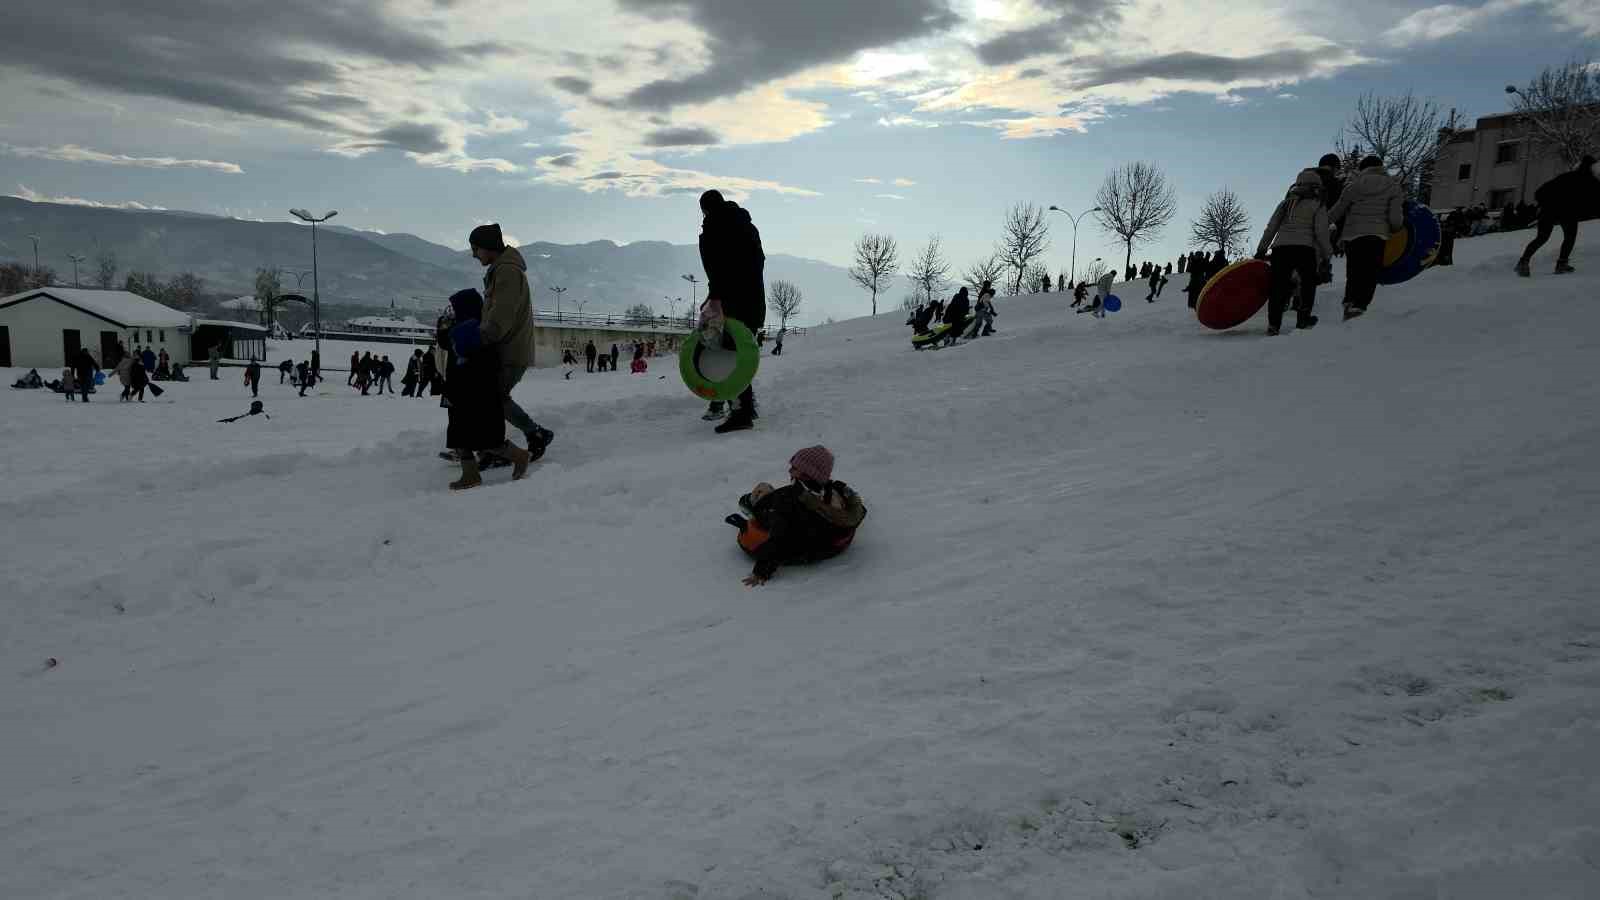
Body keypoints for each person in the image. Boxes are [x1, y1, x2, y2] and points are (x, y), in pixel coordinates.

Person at [470, 223, 555, 459]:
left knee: (491, 398)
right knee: (492, 398)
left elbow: (501, 316)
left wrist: (479, 339)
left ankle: (516, 440)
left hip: (509, 350)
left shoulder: (507, 271)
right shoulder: (503, 270)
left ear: (488, 247)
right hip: (506, 349)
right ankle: (499, 444)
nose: (473, 254)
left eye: (476, 248)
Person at [727, 446, 867, 587]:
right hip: (831, 542)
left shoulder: (792, 504)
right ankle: (761, 499)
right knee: (776, 496)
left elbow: (780, 538)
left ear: (807, 474)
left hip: (808, 547)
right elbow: (859, 511)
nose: (790, 470)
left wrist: (761, 572)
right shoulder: (833, 490)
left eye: (794, 468)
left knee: (764, 489)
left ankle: (754, 502)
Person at [441, 288, 531, 490]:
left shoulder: (480, 332)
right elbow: (445, 342)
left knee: (486, 438)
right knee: (458, 435)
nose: (452, 313)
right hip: (458, 391)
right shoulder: (460, 330)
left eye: (455, 309)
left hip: (477, 394)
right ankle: (470, 474)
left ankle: (520, 456)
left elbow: (483, 365)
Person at [696, 189, 767, 433]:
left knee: (723, 354)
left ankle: (739, 411)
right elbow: (758, 263)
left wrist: (713, 298)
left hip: (730, 304)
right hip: (754, 301)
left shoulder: (712, 231)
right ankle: (740, 405)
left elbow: (717, 270)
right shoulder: (748, 227)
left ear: (705, 210)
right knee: (738, 354)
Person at [1255, 169, 1334, 335]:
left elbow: (1271, 228)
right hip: (1305, 249)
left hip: (1280, 249)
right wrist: (1327, 254)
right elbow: (1321, 232)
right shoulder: (1318, 205)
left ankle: (1273, 325)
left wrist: (1262, 249)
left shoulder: (1285, 204)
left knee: (1278, 287)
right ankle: (1303, 319)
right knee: (1307, 284)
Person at [1330, 155, 1404, 320]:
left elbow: (1337, 211)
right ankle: (1360, 306)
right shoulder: (1393, 187)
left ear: (1362, 169)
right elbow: (1395, 217)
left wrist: (1320, 224)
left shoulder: (1353, 186)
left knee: (1354, 271)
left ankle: (1349, 302)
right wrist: (1396, 228)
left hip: (1353, 237)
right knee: (1370, 272)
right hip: (1377, 236)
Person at [1515, 156, 1599, 277]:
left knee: (1542, 237)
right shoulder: (1592, 182)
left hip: (1549, 210)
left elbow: (1539, 192)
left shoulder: (1566, 176)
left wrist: (1546, 204)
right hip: (1567, 212)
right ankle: (1561, 264)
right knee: (1569, 237)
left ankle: (1523, 262)